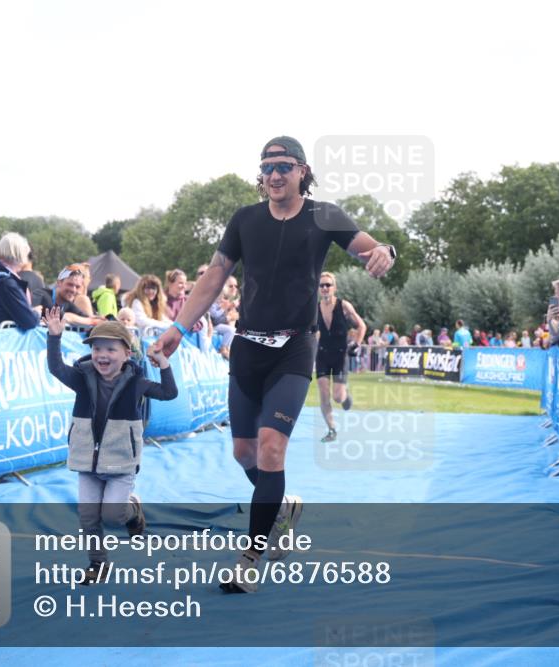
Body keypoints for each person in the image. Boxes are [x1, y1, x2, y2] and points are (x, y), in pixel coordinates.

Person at [150, 136, 395, 593]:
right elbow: (214, 277)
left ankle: (251, 557)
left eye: (284, 166)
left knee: (270, 448)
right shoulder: (244, 220)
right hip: (247, 347)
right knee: (244, 453)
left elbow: (369, 248)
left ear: (303, 170)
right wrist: (177, 330)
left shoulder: (324, 216)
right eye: (267, 167)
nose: (275, 174)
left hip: (295, 349)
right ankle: (280, 508)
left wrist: (387, 251)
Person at [45, 310, 177, 581]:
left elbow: (168, 393)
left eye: (110, 349)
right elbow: (56, 368)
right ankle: (98, 564)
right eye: (96, 348)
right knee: (88, 516)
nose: (101, 355)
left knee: (113, 515)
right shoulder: (81, 377)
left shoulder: (137, 383)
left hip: (120, 462)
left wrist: (163, 363)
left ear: (127, 354)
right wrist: (54, 337)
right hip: (87, 460)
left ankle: (133, 511)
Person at [315, 271, 367, 443]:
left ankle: (346, 397)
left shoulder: (344, 306)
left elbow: (362, 326)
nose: (324, 288)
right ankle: (332, 430)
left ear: (334, 287)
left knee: (337, 397)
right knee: (323, 393)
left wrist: (357, 344)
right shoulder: (314, 309)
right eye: (321, 285)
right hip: (322, 354)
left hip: (340, 355)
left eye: (328, 285)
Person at [34, 264, 105, 328]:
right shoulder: (42, 295)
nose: (73, 290)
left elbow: (85, 317)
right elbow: (65, 317)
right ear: (59, 283)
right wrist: (92, 322)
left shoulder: (67, 303)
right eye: (70, 284)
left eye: (77, 287)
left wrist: (100, 319)